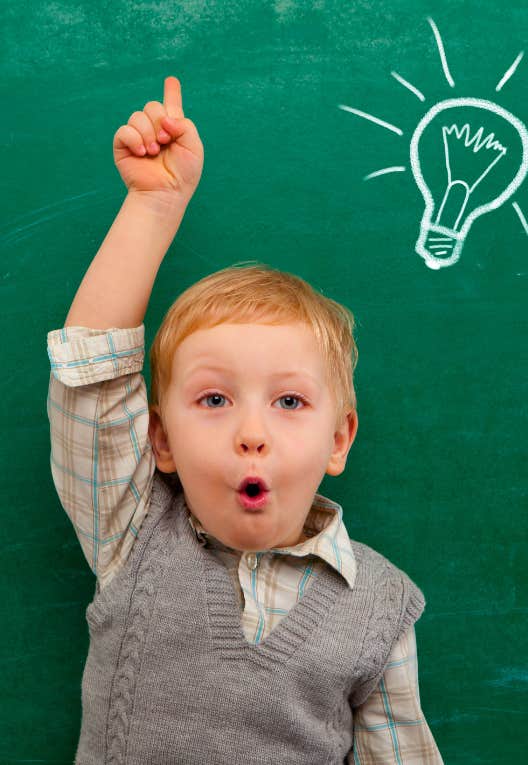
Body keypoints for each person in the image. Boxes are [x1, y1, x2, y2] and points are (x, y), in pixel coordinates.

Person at [47, 76, 442, 762]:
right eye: (214, 399)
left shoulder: (380, 606)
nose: (251, 432)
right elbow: (92, 375)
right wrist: (155, 204)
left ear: (340, 437)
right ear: (161, 440)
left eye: (289, 402)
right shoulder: (131, 534)